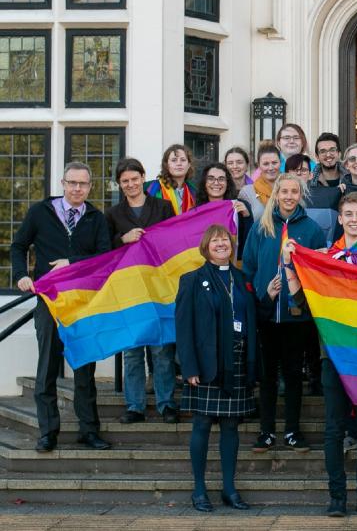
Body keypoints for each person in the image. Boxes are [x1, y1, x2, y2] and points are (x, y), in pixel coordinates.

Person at [281, 192, 357, 517]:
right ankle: (337, 497)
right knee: (334, 428)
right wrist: (291, 263)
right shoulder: (325, 258)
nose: (355, 219)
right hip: (333, 356)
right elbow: (302, 302)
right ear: (340, 219)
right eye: (349, 214)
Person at [12, 162, 112, 452]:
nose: (77, 189)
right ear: (63, 183)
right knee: (47, 367)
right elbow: (18, 246)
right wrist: (20, 275)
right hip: (49, 300)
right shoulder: (40, 212)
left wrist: (74, 263)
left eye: (83, 184)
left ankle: (89, 430)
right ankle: (48, 432)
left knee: (84, 367)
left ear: (90, 187)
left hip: (83, 302)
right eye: (72, 183)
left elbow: (104, 258)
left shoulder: (96, 218)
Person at [175, 224, 258, 512]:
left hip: (236, 360)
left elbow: (251, 317)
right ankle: (199, 490)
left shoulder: (242, 278)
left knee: (231, 426)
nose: (222, 244)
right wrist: (189, 366)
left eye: (225, 239)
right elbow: (183, 327)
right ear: (206, 247)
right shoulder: (192, 280)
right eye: (215, 240)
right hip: (206, 363)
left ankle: (229, 489)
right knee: (201, 424)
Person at [242, 174, 325, 454]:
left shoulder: (312, 230)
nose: (289, 196)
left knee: (292, 375)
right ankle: (266, 432)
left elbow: (318, 274)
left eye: (294, 191)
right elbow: (249, 270)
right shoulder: (261, 227)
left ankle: (292, 431)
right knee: (267, 377)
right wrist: (264, 293)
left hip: (297, 318)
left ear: (301, 194)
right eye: (284, 191)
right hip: (267, 316)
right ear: (276, 194)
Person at [105, 158, 177, 425]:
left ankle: (166, 403)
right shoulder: (112, 214)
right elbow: (103, 250)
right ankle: (134, 406)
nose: (131, 184)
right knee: (133, 351)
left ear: (143, 178)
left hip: (158, 287)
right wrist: (121, 240)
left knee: (161, 350)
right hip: (129, 290)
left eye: (135, 179)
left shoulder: (163, 207)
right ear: (119, 184)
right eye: (125, 181)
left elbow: (174, 242)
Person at [196, 163, 254, 257]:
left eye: (221, 179)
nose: (216, 183)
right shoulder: (196, 212)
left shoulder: (240, 206)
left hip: (235, 266)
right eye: (211, 178)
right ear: (204, 183)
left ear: (228, 183)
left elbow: (251, 243)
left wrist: (247, 217)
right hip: (204, 266)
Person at [145, 144, 197, 215]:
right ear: (166, 165)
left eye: (183, 160)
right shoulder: (153, 187)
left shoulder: (193, 191)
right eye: (174, 160)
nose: (179, 163)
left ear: (188, 165)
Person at [239, 144, 283, 222]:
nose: (271, 167)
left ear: (280, 162)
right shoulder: (247, 192)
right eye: (266, 164)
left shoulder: (291, 188)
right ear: (259, 165)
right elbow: (243, 223)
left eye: (274, 163)